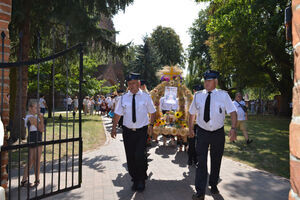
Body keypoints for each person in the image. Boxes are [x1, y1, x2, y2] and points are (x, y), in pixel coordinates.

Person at [188, 70, 237, 200]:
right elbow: (192, 113)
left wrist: (233, 128)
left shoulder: (223, 95)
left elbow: (232, 112)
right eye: (205, 81)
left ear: (215, 82)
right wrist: (190, 128)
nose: (206, 83)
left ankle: (213, 184)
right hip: (202, 132)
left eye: (209, 81)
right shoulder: (198, 95)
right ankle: (200, 192)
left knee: (216, 160)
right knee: (201, 162)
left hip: (218, 133)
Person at [111, 72, 156, 192]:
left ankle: (141, 180)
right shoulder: (123, 98)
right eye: (129, 84)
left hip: (141, 131)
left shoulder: (146, 97)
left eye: (134, 83)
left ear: (139, 83)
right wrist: (114, 128)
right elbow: (117, 114)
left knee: (139, 156)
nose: (131, 86)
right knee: (130, 157)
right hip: (127, 131)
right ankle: (135, 179)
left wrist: (151, 125)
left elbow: (153, 112)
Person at [21, 99, 44, 187]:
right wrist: (41, 119)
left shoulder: (35, 117)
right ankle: (25, 180)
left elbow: (42, 129)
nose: (38, 109)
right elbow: (41, 129)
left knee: (36, 160)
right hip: (33, 138)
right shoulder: (30, 117)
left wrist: (40, 120)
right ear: (30, 108)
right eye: (36, 107)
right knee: (32, 160)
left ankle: (35, 179)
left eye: (39, 107)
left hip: (38, 137)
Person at [187, 84, 204, 166]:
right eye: (197, 90)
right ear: (194, 91)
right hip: (192, 124)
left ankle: (196, 159)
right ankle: (190, 159)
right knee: (191, 142)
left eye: (200, 90)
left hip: (200, 124)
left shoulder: (204, 99)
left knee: (199, 144)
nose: (198, 92)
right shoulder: (190, 100)